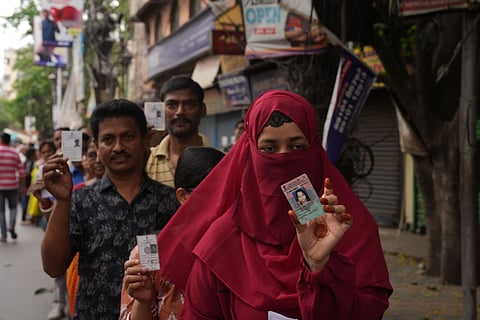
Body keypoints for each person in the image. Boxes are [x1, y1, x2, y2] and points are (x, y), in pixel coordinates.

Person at [157, 90, 392, 319]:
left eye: (297, 147)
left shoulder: (349, 228)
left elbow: (369, 311)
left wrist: (320, 267)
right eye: (269, 149)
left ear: (314, 148)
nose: (283, 159)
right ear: (250, 153)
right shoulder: (222, 241)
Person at [40, 99, 179, 320]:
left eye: (128, 137)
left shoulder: (169, 201)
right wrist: (62, 200)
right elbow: (53, 267)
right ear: (96, 144)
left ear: (145, 139)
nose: (118, 147)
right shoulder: (80, 200)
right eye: (108, 139)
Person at [120, 146, 225, 320]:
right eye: (211, 193)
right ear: (182, 196)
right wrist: (143, 302)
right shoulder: (151, 251)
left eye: (228, 191)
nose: (221, 202)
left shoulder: (241, 246)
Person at [145, 76, 211, 187]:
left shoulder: (223, 161)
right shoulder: (145, 161)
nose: (180, 112)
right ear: (161, 110)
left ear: (202, 109)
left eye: (189, 105)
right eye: (171, 105)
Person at [0, 132, 27, 242]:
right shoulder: (14, 153)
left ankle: (4, 235)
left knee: (1, 211)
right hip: (12, 186)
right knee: (13, 208)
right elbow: (21, 172)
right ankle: (11, 225)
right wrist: (24, 186)